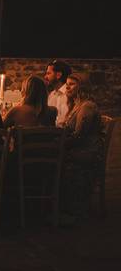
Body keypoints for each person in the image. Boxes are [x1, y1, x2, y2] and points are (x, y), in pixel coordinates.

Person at [59, 73, 104, 220]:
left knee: (52, 158)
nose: (67, 86)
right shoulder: (76, 105)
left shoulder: (87, 106)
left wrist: (58, 144)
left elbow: (79, 136)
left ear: (81, 87)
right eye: (67, 83)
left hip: (85, 152)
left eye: (72, 84)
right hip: (78, 149)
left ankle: (64, 206)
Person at [44, 59, 72, 126]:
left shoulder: (70, 94)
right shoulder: (51, 95)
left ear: (58, 75)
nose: (45, 77)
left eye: (48, 73)